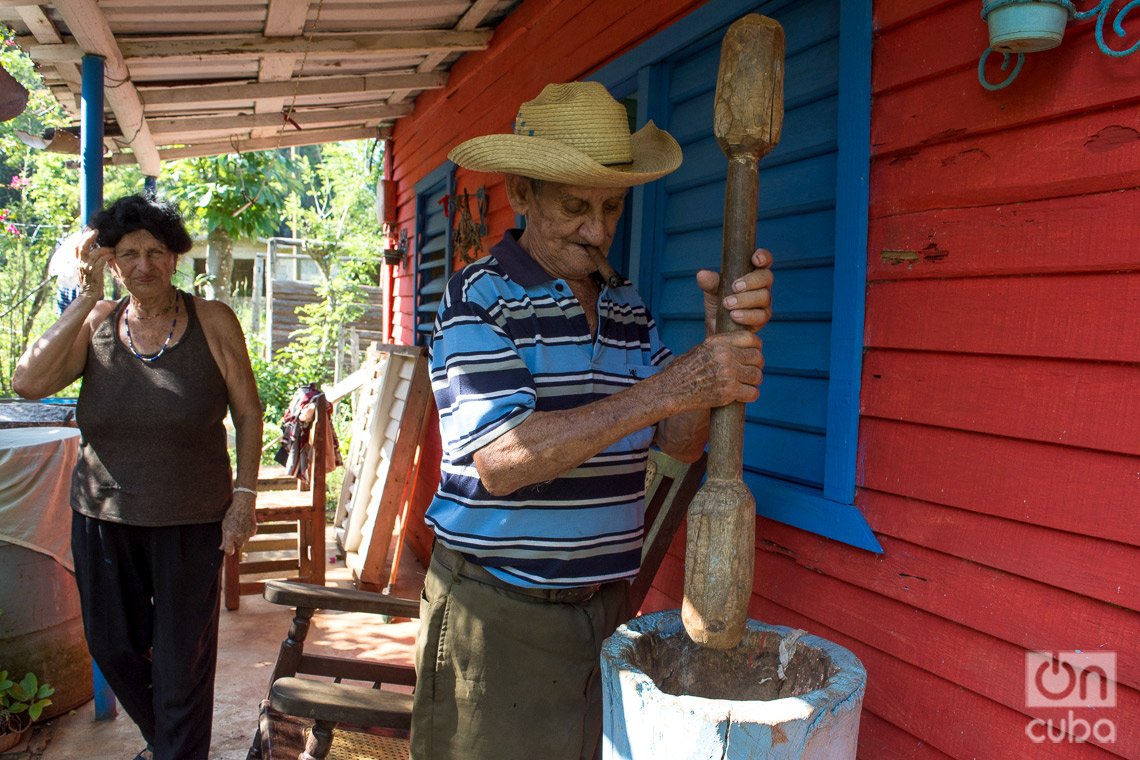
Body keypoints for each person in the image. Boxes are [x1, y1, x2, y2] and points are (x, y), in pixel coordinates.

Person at [412, 82, 774, 760]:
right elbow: (503, 461)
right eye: (576, 206)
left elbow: (681, 438)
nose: (600, 229)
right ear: (522, 195)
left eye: (612, 206)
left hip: (604, 614)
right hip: (497, 617)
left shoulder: (625, 304)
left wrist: (713, 342)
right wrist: (669, 388)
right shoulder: (479, 298)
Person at [12, 194, 262, 760]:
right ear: (110, 261)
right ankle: (174, 748)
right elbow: (28, 382)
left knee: (182, 663)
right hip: (103, 520)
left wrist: (244, 496)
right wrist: (85, 299)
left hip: (191, 521)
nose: (143, 265)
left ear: (175, 257)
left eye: (154, 251)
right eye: (128, 254)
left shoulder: (212, 320)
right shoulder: (98, 321)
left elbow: (248, 410)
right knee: (111, 645)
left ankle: (176, 752)